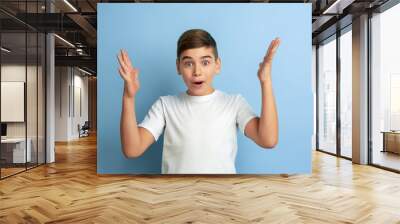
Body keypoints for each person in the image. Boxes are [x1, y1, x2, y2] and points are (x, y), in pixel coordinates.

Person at [117, 29, 279, 174]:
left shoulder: (234, 103)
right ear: (178, 67)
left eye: (205, 62)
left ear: (217, 65)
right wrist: (128, 97)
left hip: (221, 199)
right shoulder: (165, 105)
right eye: (188, 63)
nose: (197, 71)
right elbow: (132, 149)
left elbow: (268, 139)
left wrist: (266, 81)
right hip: (176, 199)